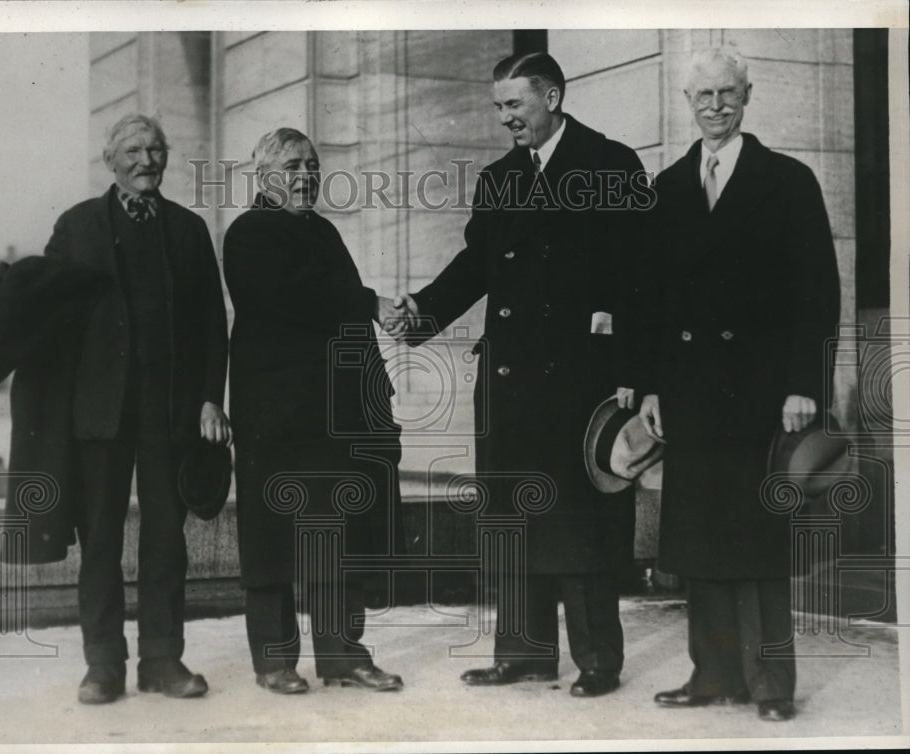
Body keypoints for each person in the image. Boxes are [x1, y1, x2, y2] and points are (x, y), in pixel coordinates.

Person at [393, 52, 647, 697]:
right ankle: (524, 654)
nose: (505, 118)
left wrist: (631, 370)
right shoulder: (501, 178)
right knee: (513, 516)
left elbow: (640, 277)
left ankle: (597, 661)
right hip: (509, 377)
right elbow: (477, 266)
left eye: (515, 105)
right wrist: (420, 311)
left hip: (581, 380)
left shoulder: (610, 165)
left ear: (553, 97)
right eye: (498, 106)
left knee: (579, 521)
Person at [634, 48, 840, 722]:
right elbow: (654, 302)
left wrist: (803, 385)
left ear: (747, 95)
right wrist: (652, 389)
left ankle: (772, 683)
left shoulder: (787, 180)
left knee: (758, 542)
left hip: (763, 395)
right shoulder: (667, 188)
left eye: (727, 93)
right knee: (698, 535)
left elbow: (816, 294)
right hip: (690, 391)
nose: (716, 106)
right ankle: (712, 675)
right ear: (687, 104)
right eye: (704, 96)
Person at [44, 113, 231, 704]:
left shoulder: (187, 229)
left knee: (165, 540)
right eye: (133, 150)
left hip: (170, 412)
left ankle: (161, 659)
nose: (147, 160)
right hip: (99, 413)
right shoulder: (75, 227)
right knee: (99, 538)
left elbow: (211, 325)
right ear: (111, 161)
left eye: (156, 149)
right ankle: (103, 664)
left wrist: (209, 397)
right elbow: (49, 316)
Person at [223, 127, 405, 695]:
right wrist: (369, 301)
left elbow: (347, 323)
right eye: (292, 167)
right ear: (265, 177)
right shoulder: (248, 234)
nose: (305, 176)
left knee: (337, 537)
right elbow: (295, 297)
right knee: (272, 541)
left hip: (334, 415)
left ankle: (342, 656)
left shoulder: (322, 231)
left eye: (312, 166)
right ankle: (274, 662)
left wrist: (377, 399)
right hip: (274, 420)